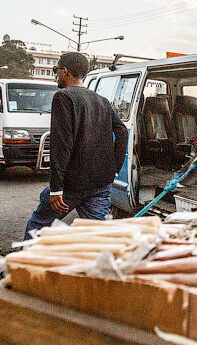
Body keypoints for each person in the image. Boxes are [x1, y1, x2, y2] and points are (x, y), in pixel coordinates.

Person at [24, 52, 128, 239]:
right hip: (100, 183)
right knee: (98, 236)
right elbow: (122, 132)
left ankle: (21, 266)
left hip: (71, 185)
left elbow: (61, 145)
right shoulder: (101, 100)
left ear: (65, 71)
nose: (56, 74)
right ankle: (104, 267)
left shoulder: (63, 97)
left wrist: (56, 189)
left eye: (56, 70)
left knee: (39, 225)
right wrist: (113, 170)